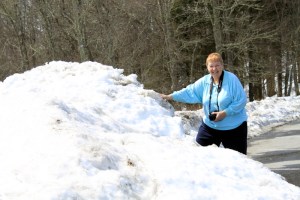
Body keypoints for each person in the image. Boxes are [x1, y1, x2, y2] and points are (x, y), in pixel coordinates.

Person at [160, 52, 248, 154]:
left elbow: (241, 100)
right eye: (211, 66)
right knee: (200, 157)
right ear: (207, 67)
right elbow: (189, 92)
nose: (214, 69)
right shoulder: (205, 81)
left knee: (238, 162)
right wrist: (170, 96)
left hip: (234, 128)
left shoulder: (231, 79)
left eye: (217, 65)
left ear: (222, 66)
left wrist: (225, 113)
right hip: (210, 127)